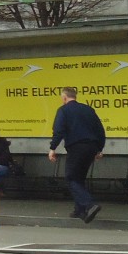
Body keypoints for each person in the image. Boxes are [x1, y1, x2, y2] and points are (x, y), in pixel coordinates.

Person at [48, 87, 105, 224]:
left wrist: (52, 148)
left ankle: (89, 204)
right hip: (91, 147)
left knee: (71, 178)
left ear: (64, 97)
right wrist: (99, 148)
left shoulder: (63, 110)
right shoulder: (88, 109)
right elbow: (100, 130)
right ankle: (79, 211)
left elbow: (59, 130)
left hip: (76, 147)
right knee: (79, 178)